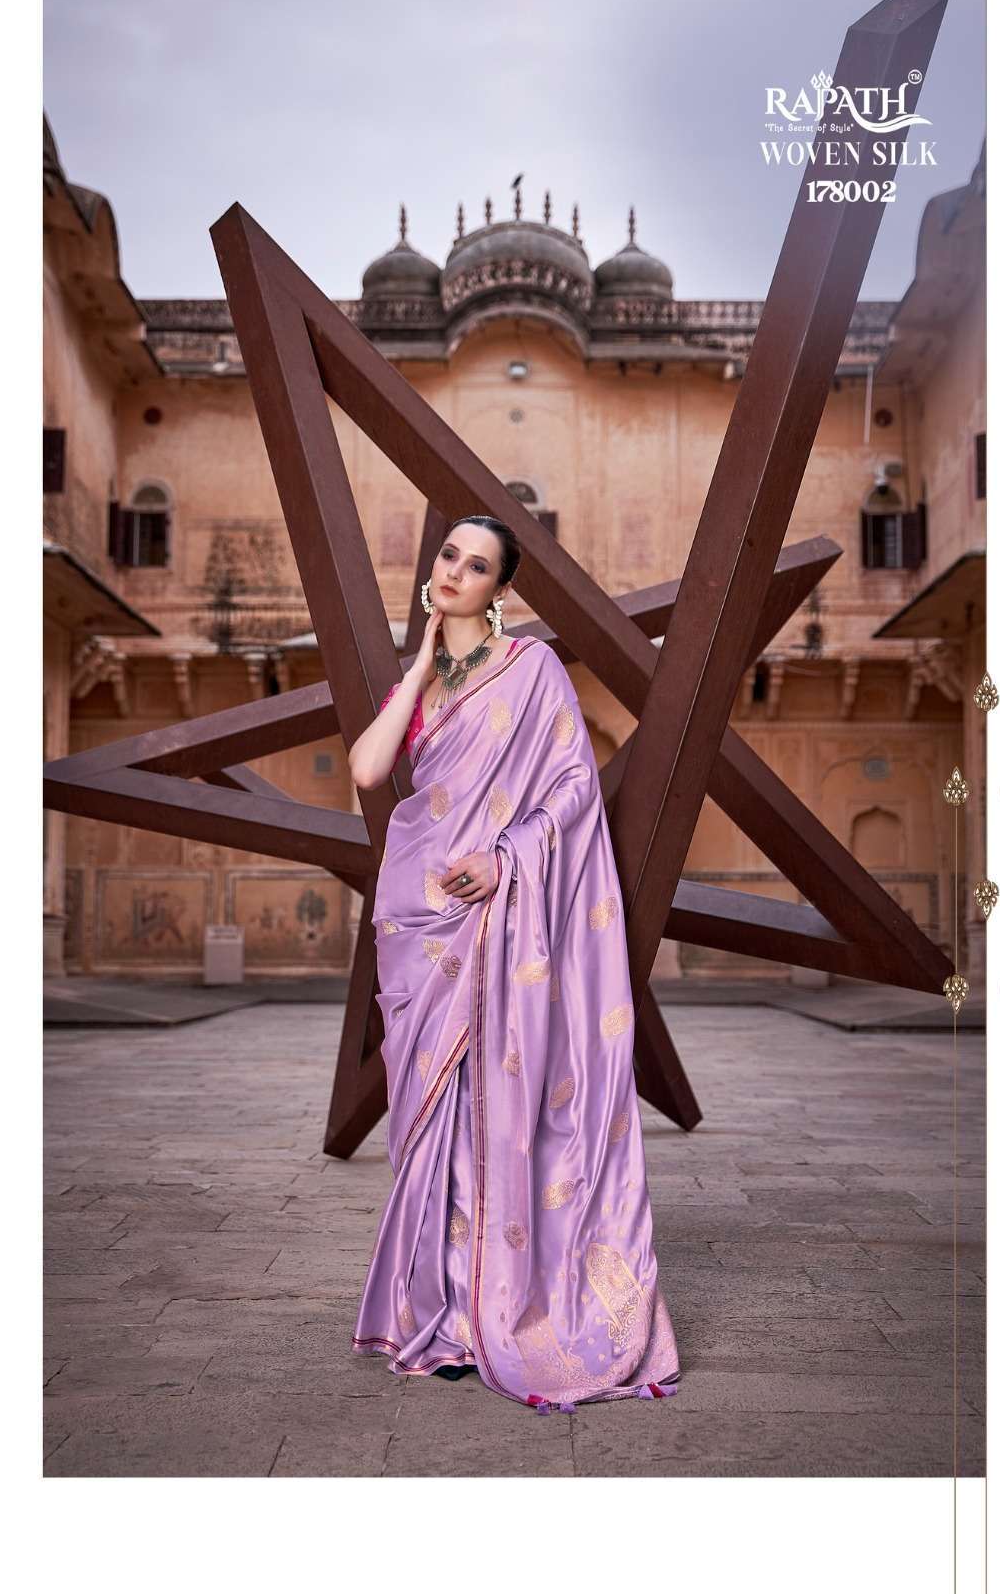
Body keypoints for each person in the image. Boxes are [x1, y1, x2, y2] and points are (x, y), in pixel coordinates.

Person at [347, 514, 679, 1411]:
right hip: (417, 920)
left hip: (494, 906)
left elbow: (573, 786)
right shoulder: (424, 682)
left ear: (501, 589)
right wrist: (422, 658)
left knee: (491, 1106)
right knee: (428, 1113)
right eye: (449, 556)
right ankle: (435, 1309)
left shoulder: (531, 670)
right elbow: (369, 770)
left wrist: (506, 860)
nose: (456, 571)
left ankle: (478, 1315)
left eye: (478, 565)